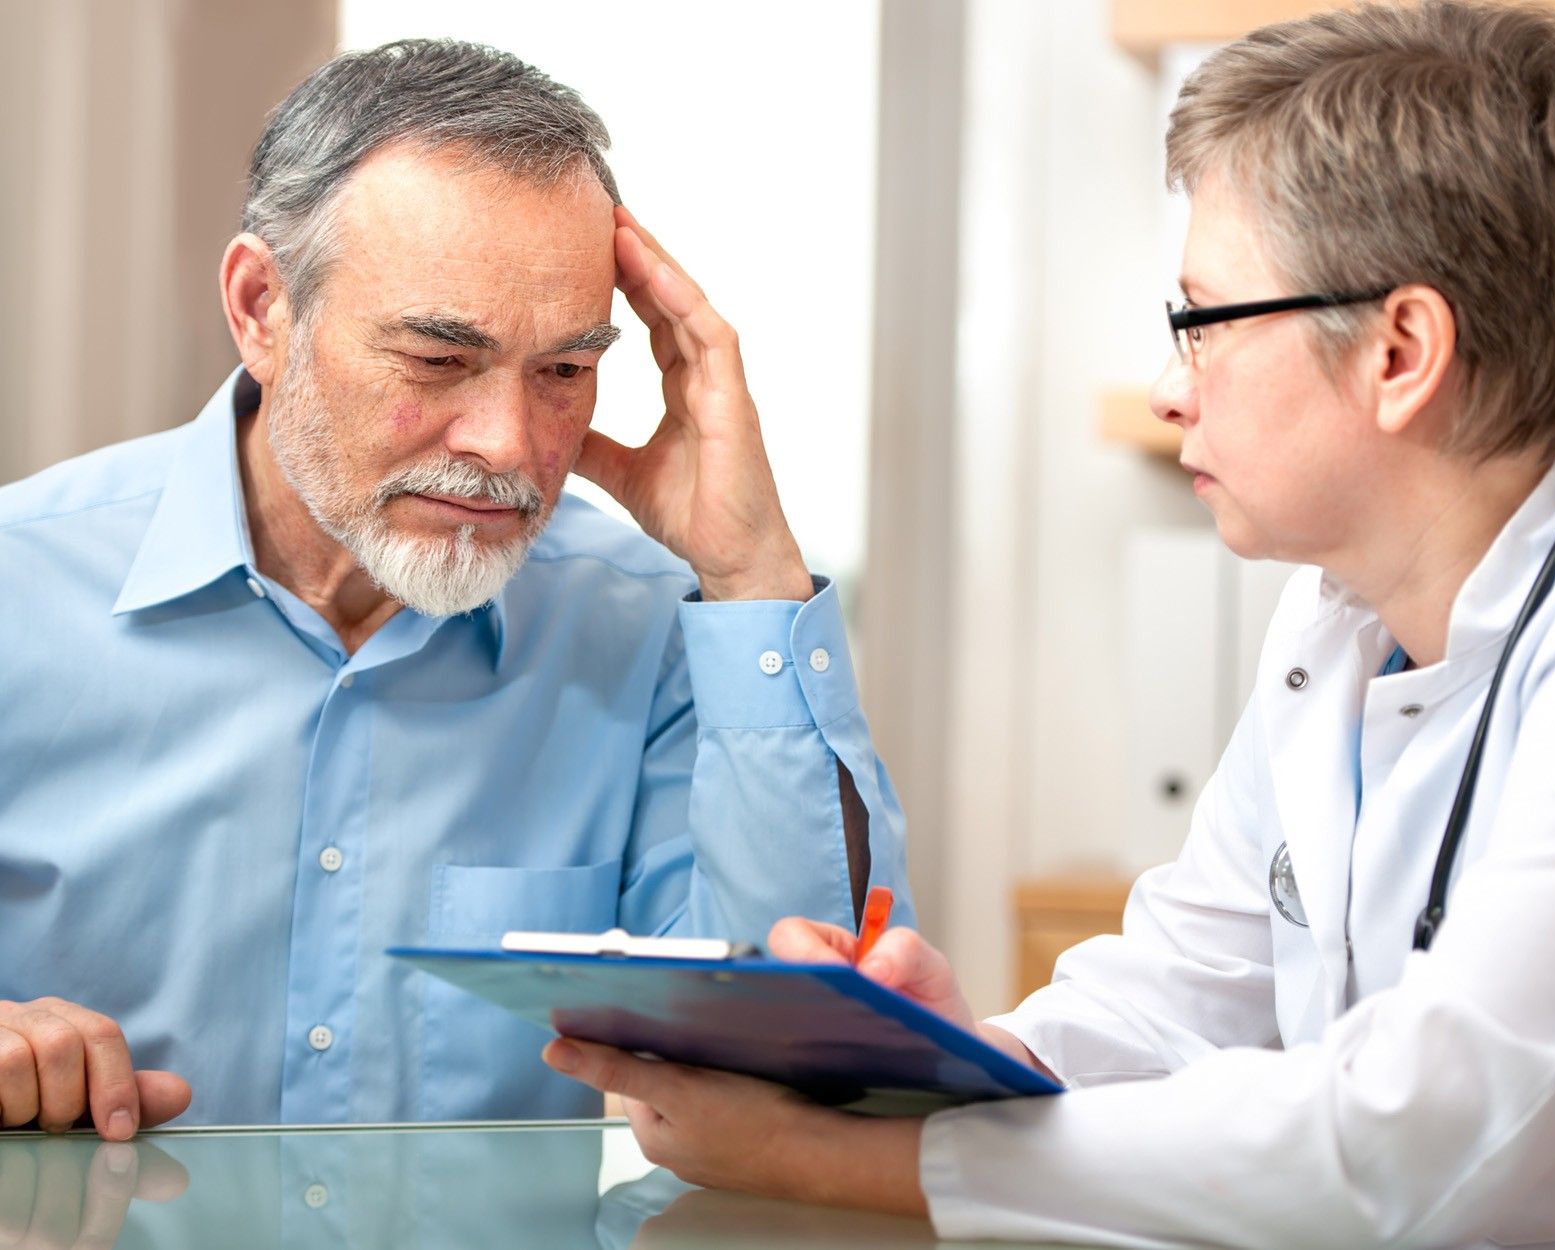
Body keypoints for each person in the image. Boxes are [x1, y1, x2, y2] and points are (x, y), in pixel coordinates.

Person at [542, 3, 1555, 1246]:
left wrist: (842, 1156)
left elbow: (1418, 1135)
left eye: (1200, 322)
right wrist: (971, 1056)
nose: (1167, 387)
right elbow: (1184, 991)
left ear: (1402, 349)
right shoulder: (1340, 619)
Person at [0, 39, 910, 1135]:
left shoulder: (654, 623)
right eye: (438, 360)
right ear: (260, 309)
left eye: (565, 372)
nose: (507, 443)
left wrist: (751, 573)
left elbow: (800, 1060)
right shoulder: (20, 587)